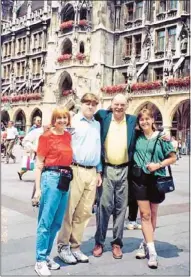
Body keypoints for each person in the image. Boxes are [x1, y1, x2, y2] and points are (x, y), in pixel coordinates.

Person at [57, 93, 102, 264]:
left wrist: (98, 171)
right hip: (75, 169)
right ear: (81, 104)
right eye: (87, 103)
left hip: (92, 172)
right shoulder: (72, 121)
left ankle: (75, 246)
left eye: (93, 104)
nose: (90, 106)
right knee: (69, 210)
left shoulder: (97, 125)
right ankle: (63, 246)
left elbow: (97, 149)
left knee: (84, 212)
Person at [92, 94, 137, 259]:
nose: (119, 107)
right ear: (111, 105)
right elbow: (87, 113)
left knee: (121, 208)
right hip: (107, 169)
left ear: (127, 105)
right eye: (116, 104)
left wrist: (163, 136)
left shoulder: (132, 120)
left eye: (122, 104)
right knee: (103, 208)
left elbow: (148, 129)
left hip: (125, 170)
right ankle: (99, 242)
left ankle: (117, 243)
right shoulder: (104, 117)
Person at [131, 108, 176, 269]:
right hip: (140, 179)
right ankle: (153, 251)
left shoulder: (162, 139)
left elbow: (173, 157)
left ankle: (145, 243)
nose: (144, 122)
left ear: (152, 121)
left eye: (147, 119)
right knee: (145, 214)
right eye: (141, 120)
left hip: (156, 179)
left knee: (153, 214)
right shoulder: (136, 137)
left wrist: (158, 165)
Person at [34, 107, 73, 277]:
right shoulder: (46, 137)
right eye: (59, 118)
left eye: (65, 118)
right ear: (54, 120)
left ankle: (47, 255)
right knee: (45, 221)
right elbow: (39, 164)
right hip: (50, 178)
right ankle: (40, 260)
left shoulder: (67, 136)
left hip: (65, 178)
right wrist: (38, 189)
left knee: (57, 221)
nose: (62, 121)